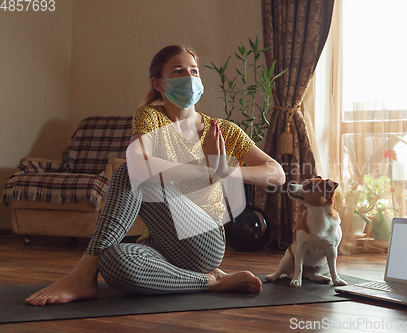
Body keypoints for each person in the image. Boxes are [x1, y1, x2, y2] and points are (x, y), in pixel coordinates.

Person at [25, 45, 286, 306]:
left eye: (194, 71)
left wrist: (226, 170)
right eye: (178, 71)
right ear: (158, 84)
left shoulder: (223, 130)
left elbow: (276, 173)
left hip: (203, 240)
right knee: (114, 262)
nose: (190, 77)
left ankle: (83, 273)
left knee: (130, 172)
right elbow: (138, 160)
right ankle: (212, 281)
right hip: (160, 244)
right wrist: (207, 169)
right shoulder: (150, 116)